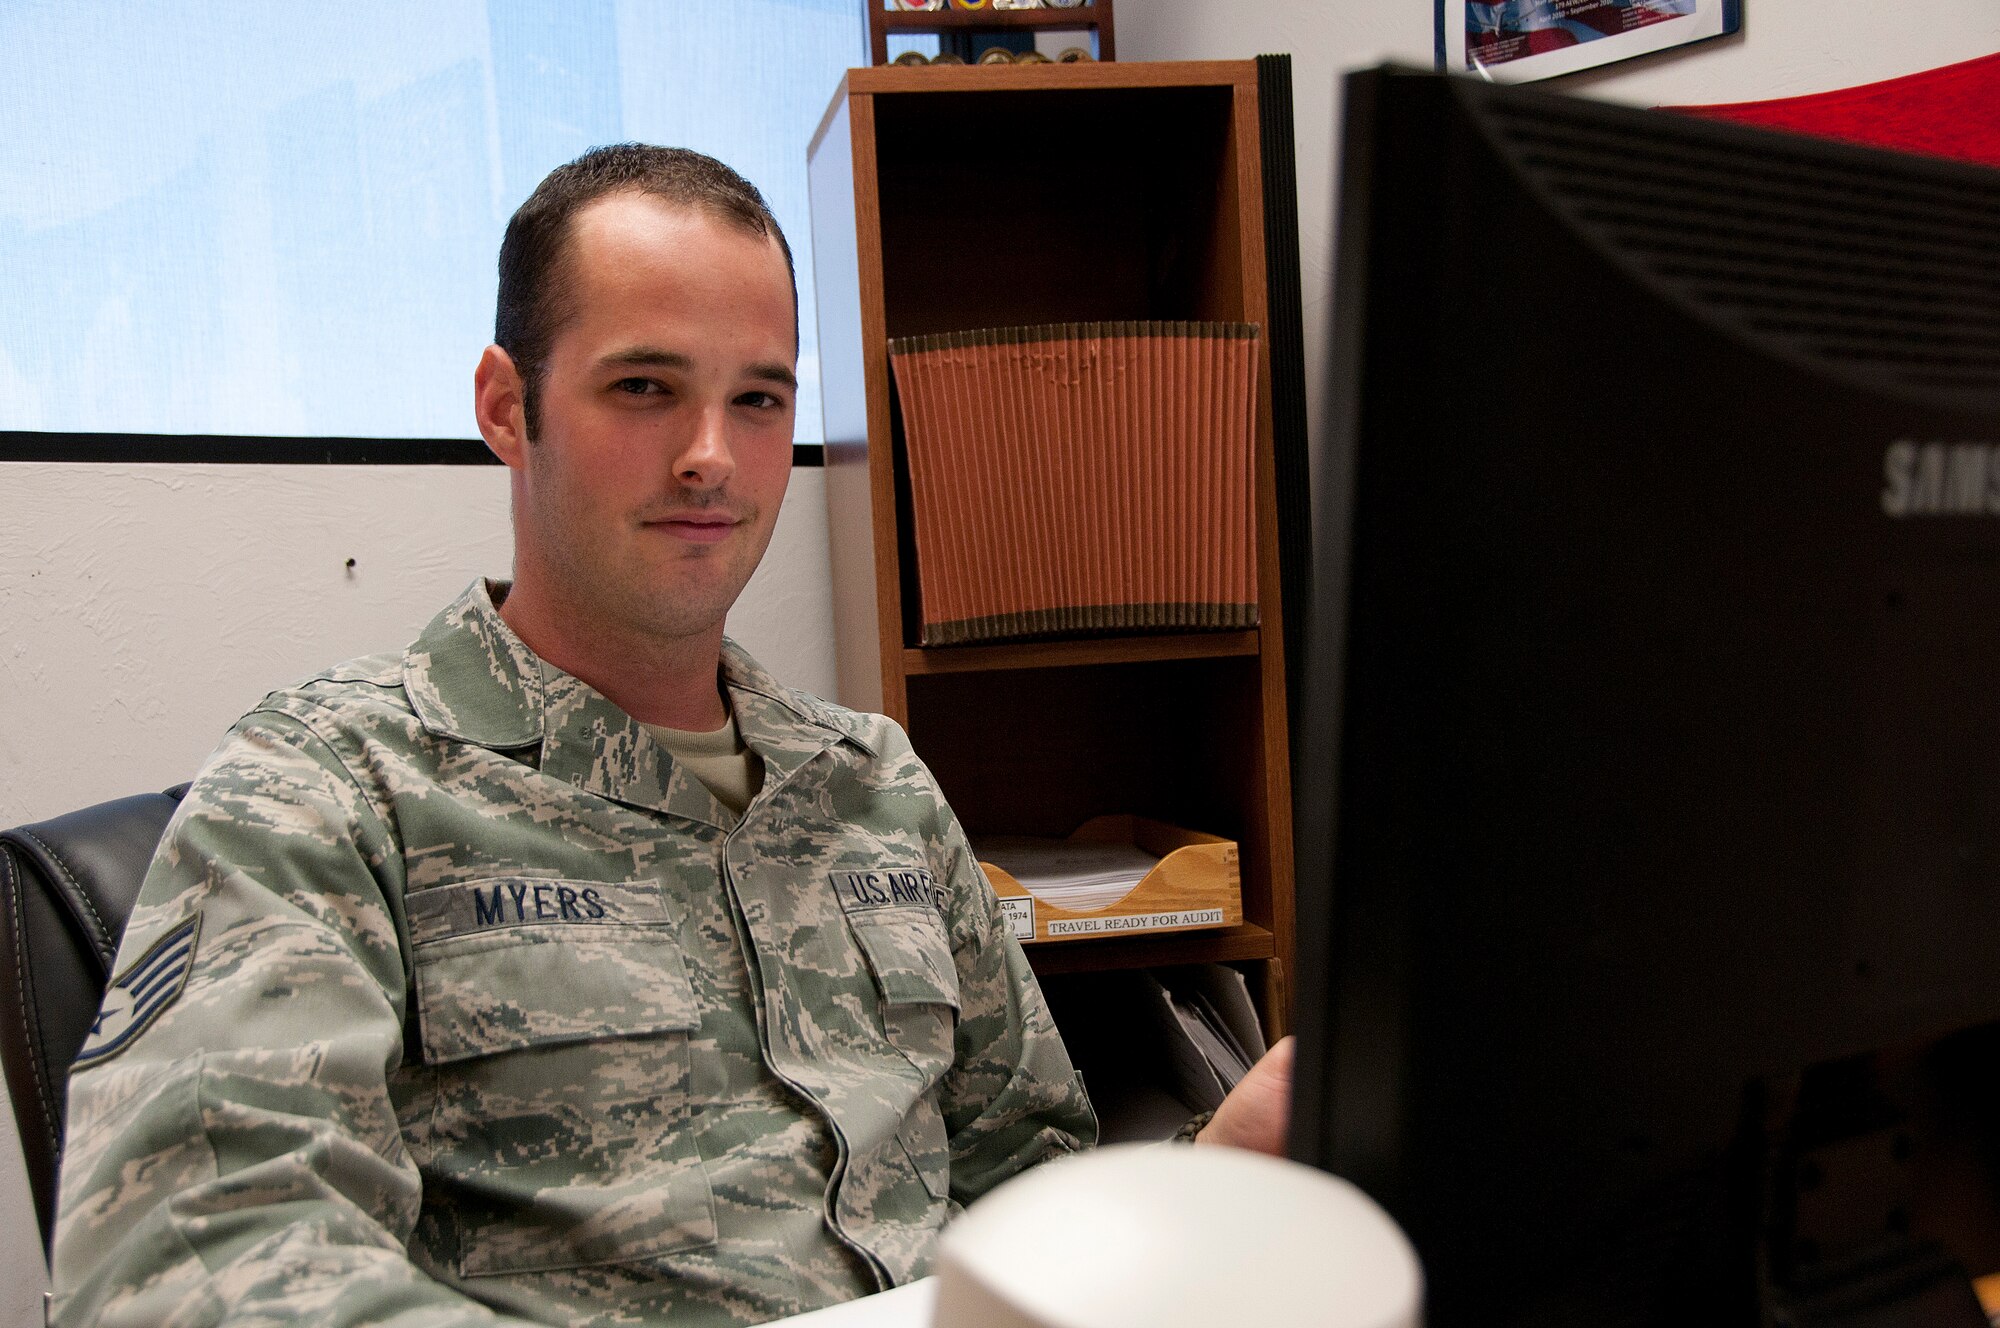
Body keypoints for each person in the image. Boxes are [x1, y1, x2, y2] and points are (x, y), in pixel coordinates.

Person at [51, 145, 1291, 1328]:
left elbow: (1027, 1182)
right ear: (505, 405)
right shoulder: (328, 788)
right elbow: (192, 1267)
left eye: (758, 399)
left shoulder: (874, 786)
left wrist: (1212, 1169)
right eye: (644, 387)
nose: (713, 456)